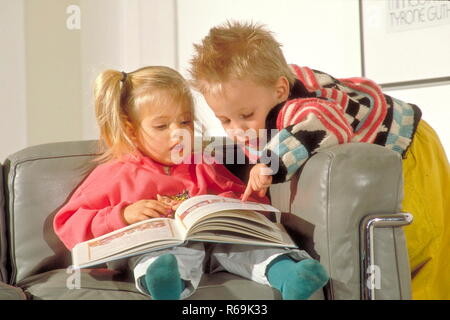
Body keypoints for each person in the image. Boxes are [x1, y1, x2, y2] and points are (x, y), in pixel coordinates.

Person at [189, 21, 450, 300]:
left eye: (246, 115)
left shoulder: (297, 106)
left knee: (423, 246)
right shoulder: (264, 90)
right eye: (225, 120)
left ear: (279, 91)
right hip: (386, 143)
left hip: (408, 145)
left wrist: (270, 163)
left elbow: (325, 123)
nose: (236, 130)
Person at [53, 66, 329, 300]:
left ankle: (290, 275)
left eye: (185, 122)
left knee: (248, 247)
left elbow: (233, 195)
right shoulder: (115, 173)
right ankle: (165, 283)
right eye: (161, 126)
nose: (178, 133)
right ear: (130, 129)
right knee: (160, 255)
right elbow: (68, 223)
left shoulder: (201, 162)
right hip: (159, 248)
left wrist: (248, 201)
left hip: (214, 244)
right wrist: (123, 214)